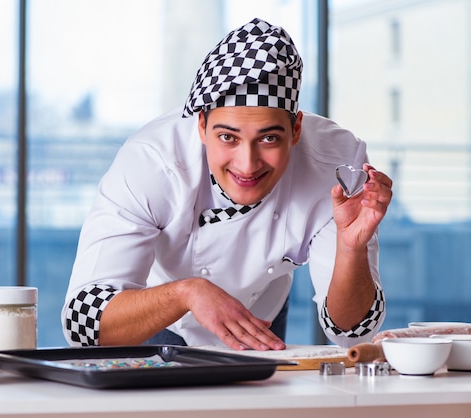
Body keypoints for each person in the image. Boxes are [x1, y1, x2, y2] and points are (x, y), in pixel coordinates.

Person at [61, 18, 393, 351]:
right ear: (201, 126)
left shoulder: (336, 166)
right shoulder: (152, 163)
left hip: (260, 320)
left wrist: (351, 248)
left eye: (268, 138)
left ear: (296, 130)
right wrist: (187, 292)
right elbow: (81, 325)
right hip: (158, 319)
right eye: (227, 137)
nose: (247, 164)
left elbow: (353, 332)